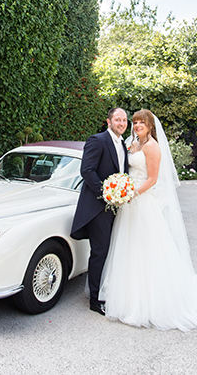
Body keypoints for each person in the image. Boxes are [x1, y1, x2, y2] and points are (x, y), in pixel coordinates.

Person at [99, 109, 197, 331]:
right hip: (128, 204)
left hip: (142, 202)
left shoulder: (151, 146)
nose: (137, 125)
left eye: (142, 122)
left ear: (150, 126)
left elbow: (152, 179)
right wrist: (121, 191)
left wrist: (131, 194)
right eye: (135, 122)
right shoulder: (133, 144)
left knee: (147, 249)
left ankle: (149, 301)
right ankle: (126, 294)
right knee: (128, 248)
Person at [71, 107, 129, 315]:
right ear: (109, 122)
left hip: (116, 207)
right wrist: (108, 193)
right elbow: (87, 170)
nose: (122, 123)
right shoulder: (97, 140)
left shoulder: (123, 144)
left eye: (124, 120)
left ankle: (105, 290)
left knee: (111, 250)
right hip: (98, 207)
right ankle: (95, 300)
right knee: (99, 253)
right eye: (117, 119)